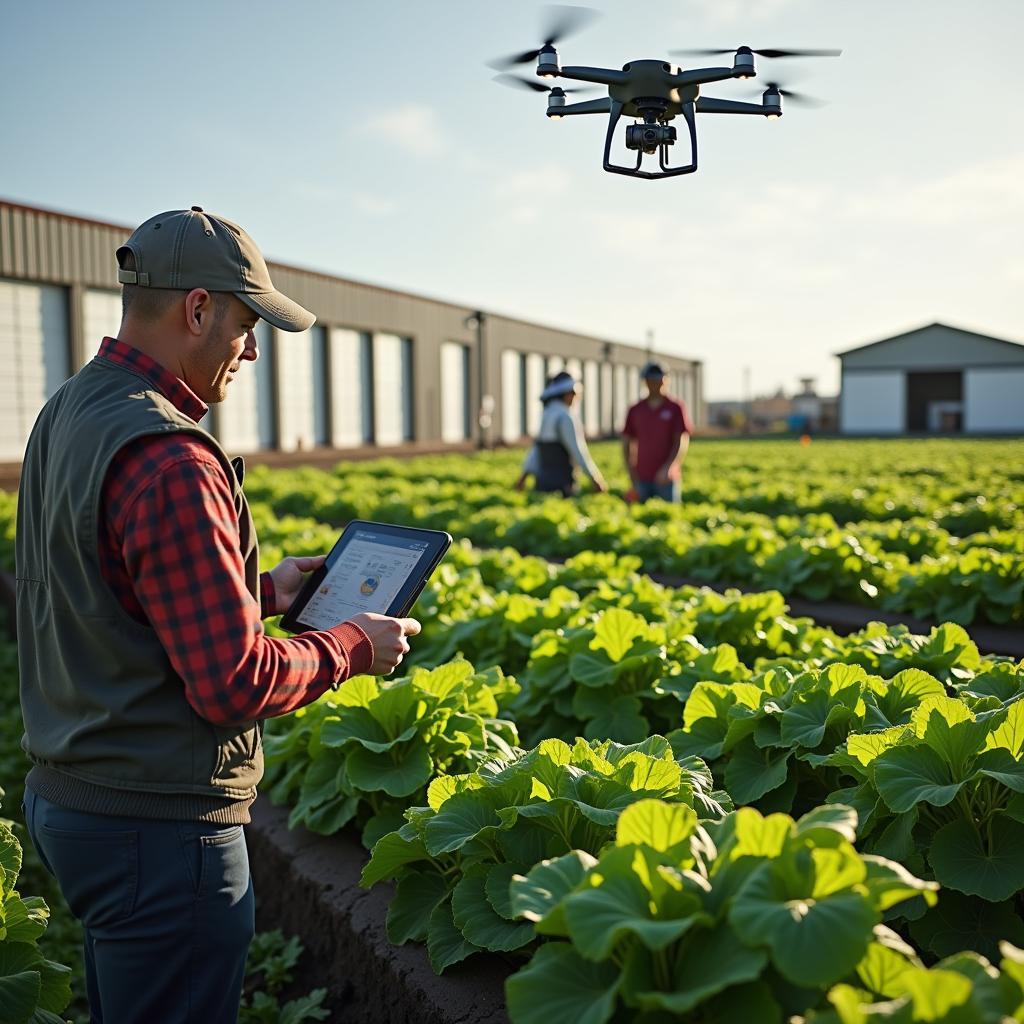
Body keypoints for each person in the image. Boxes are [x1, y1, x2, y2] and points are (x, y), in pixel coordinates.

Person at [15, 206, 420, 1023]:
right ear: (197, 309)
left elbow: (99, 584)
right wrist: (352, 644)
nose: (252, 350)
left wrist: (265, 591)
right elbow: (233, 683)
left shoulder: (70, 411)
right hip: (159, 832)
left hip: (74, 797)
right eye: (245, 324)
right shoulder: (170, 457)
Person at [516, 370, 607, 497]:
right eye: (573, 394)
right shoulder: (565, 416)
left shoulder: (547, 414)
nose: (575, 398)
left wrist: (524, 475)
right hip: (562, 483)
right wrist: (594, 477)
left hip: (543, 482)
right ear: (566, 394)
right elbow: (577, 450)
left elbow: (537, 448)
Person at [622, 361, 694, 502]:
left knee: (671, 516)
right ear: (645, 382)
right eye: (651, 380)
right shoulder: (635, 409)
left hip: (666, 478)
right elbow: (626, 441)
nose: (655, 384)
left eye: (659, 380)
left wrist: (669, 467)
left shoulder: (675, 408)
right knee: (639, 516)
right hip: (641, 477)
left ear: (665, 381)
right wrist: (630, 470)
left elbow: (681, 440)